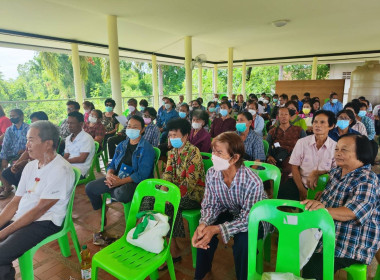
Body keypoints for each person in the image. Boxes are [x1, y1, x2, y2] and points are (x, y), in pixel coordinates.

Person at [0, 120, 75, 280]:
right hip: (24, 215)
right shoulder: (30, 166)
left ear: (48, 144)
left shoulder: (60, 170)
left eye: (31, 140)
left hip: (45, 221)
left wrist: (3, 233)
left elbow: (39, 211)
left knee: (1, 253)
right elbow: (15, 201)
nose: (27, 145)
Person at [302, 135, 380, 280]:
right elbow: (329, 173)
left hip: (350, 241)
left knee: (313, 269)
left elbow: (353, 212)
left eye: (344, 150)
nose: (337, 153)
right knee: (294, 249)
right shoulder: (338, 172)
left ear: (361, 153)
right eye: (336, 149)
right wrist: (317, 174)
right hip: (326, 231)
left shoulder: (367, 179)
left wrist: (323, 210)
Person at [192, 132, 269, 280]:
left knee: (244, 242)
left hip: (254, 219)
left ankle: (243, 277)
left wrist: (217, 229)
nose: (213, 156)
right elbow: (210, 204)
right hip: (229, 210)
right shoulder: (212, 173)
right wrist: (204, 223)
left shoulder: (252, 181)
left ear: (235, 158)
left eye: (219, 152)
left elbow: (248, 219)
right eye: (213, 151)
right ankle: (202, 275)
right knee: (203, 232)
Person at [140, 118, 205, 268]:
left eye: (175, 135)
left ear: (186, 136)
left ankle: (173, 252)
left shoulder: (193, 153)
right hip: (174, 191)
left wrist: (170, 197)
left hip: (193, 195)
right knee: (149, 200)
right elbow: (167, 174)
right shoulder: (172, 153)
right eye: (170, 135)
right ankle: (154, 240)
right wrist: (163, 191)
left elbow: (189, 184)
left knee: (168, 206)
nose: (172, 138)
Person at [85, 115, 155, 244]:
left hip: (135, 183)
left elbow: (142, 175)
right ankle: (102, 213)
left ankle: (115, 192)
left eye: (135, 127)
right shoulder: (122, 145)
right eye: (129, 126)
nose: (131, 129)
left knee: (122, 194)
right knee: (90, 188)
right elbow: (112, 164)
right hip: (117, 178)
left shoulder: (147, 149)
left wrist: (119, 182)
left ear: (142, 130)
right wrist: (109, 175)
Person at [279, 110, 337, 201]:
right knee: (283, 196)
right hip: (300, 181)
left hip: (324, 186)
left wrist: (319, 174)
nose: (317, 125)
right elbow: (294, 167)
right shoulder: (302, 142)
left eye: (322, 122)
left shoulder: (335, 147)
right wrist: (301, 189)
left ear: (331, 126)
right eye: (315, 122)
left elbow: (336, 172)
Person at [1, 112, 49, 201]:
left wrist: (26, 163)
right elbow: (26, 152)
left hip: (41, 165)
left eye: (35, 123)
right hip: (27, 161)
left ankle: (29, 195)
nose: (32, 125)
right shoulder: (32, 135)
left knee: (20, 173)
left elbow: (45, 158)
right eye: (32, 123)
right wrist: (18, 163)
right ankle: (21, 192)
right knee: (7, 173)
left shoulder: (49, 138)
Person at [266, 107, 306, 179]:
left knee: (288, 168)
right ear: (278, 117)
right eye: (281, 114)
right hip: (276, 156)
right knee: (268, 168)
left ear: (289, 116)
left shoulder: (298, 130)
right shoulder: (273, 131)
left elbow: (305, 145)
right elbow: (267, 145)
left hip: (292, 157)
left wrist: (297, 156)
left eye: (286, 114)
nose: (283, 116)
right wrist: (269, 156)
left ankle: (280, 188)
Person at [0, 109, 29, 199]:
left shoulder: (28, 128)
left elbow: (30, 143)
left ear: (21, 116)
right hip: (11, 153)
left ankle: (20, 188)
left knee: (18, 167)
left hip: (23, 153)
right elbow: (5, 145)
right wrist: (4, 158)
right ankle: (7, 187)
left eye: (14, 116)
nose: (12, 118)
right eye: (11, 116)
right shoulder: (9, 130)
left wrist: (24, 149)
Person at [64, 112, 95, 179]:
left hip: (79, 170)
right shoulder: (68, 138)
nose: (69, 126)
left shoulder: (86, 138)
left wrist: (64, 161)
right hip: (68, 167)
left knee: (55, 177)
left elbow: (81, 159)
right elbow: (66, 154)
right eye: (68, 123)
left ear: (81, 124)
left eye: (72, 123)